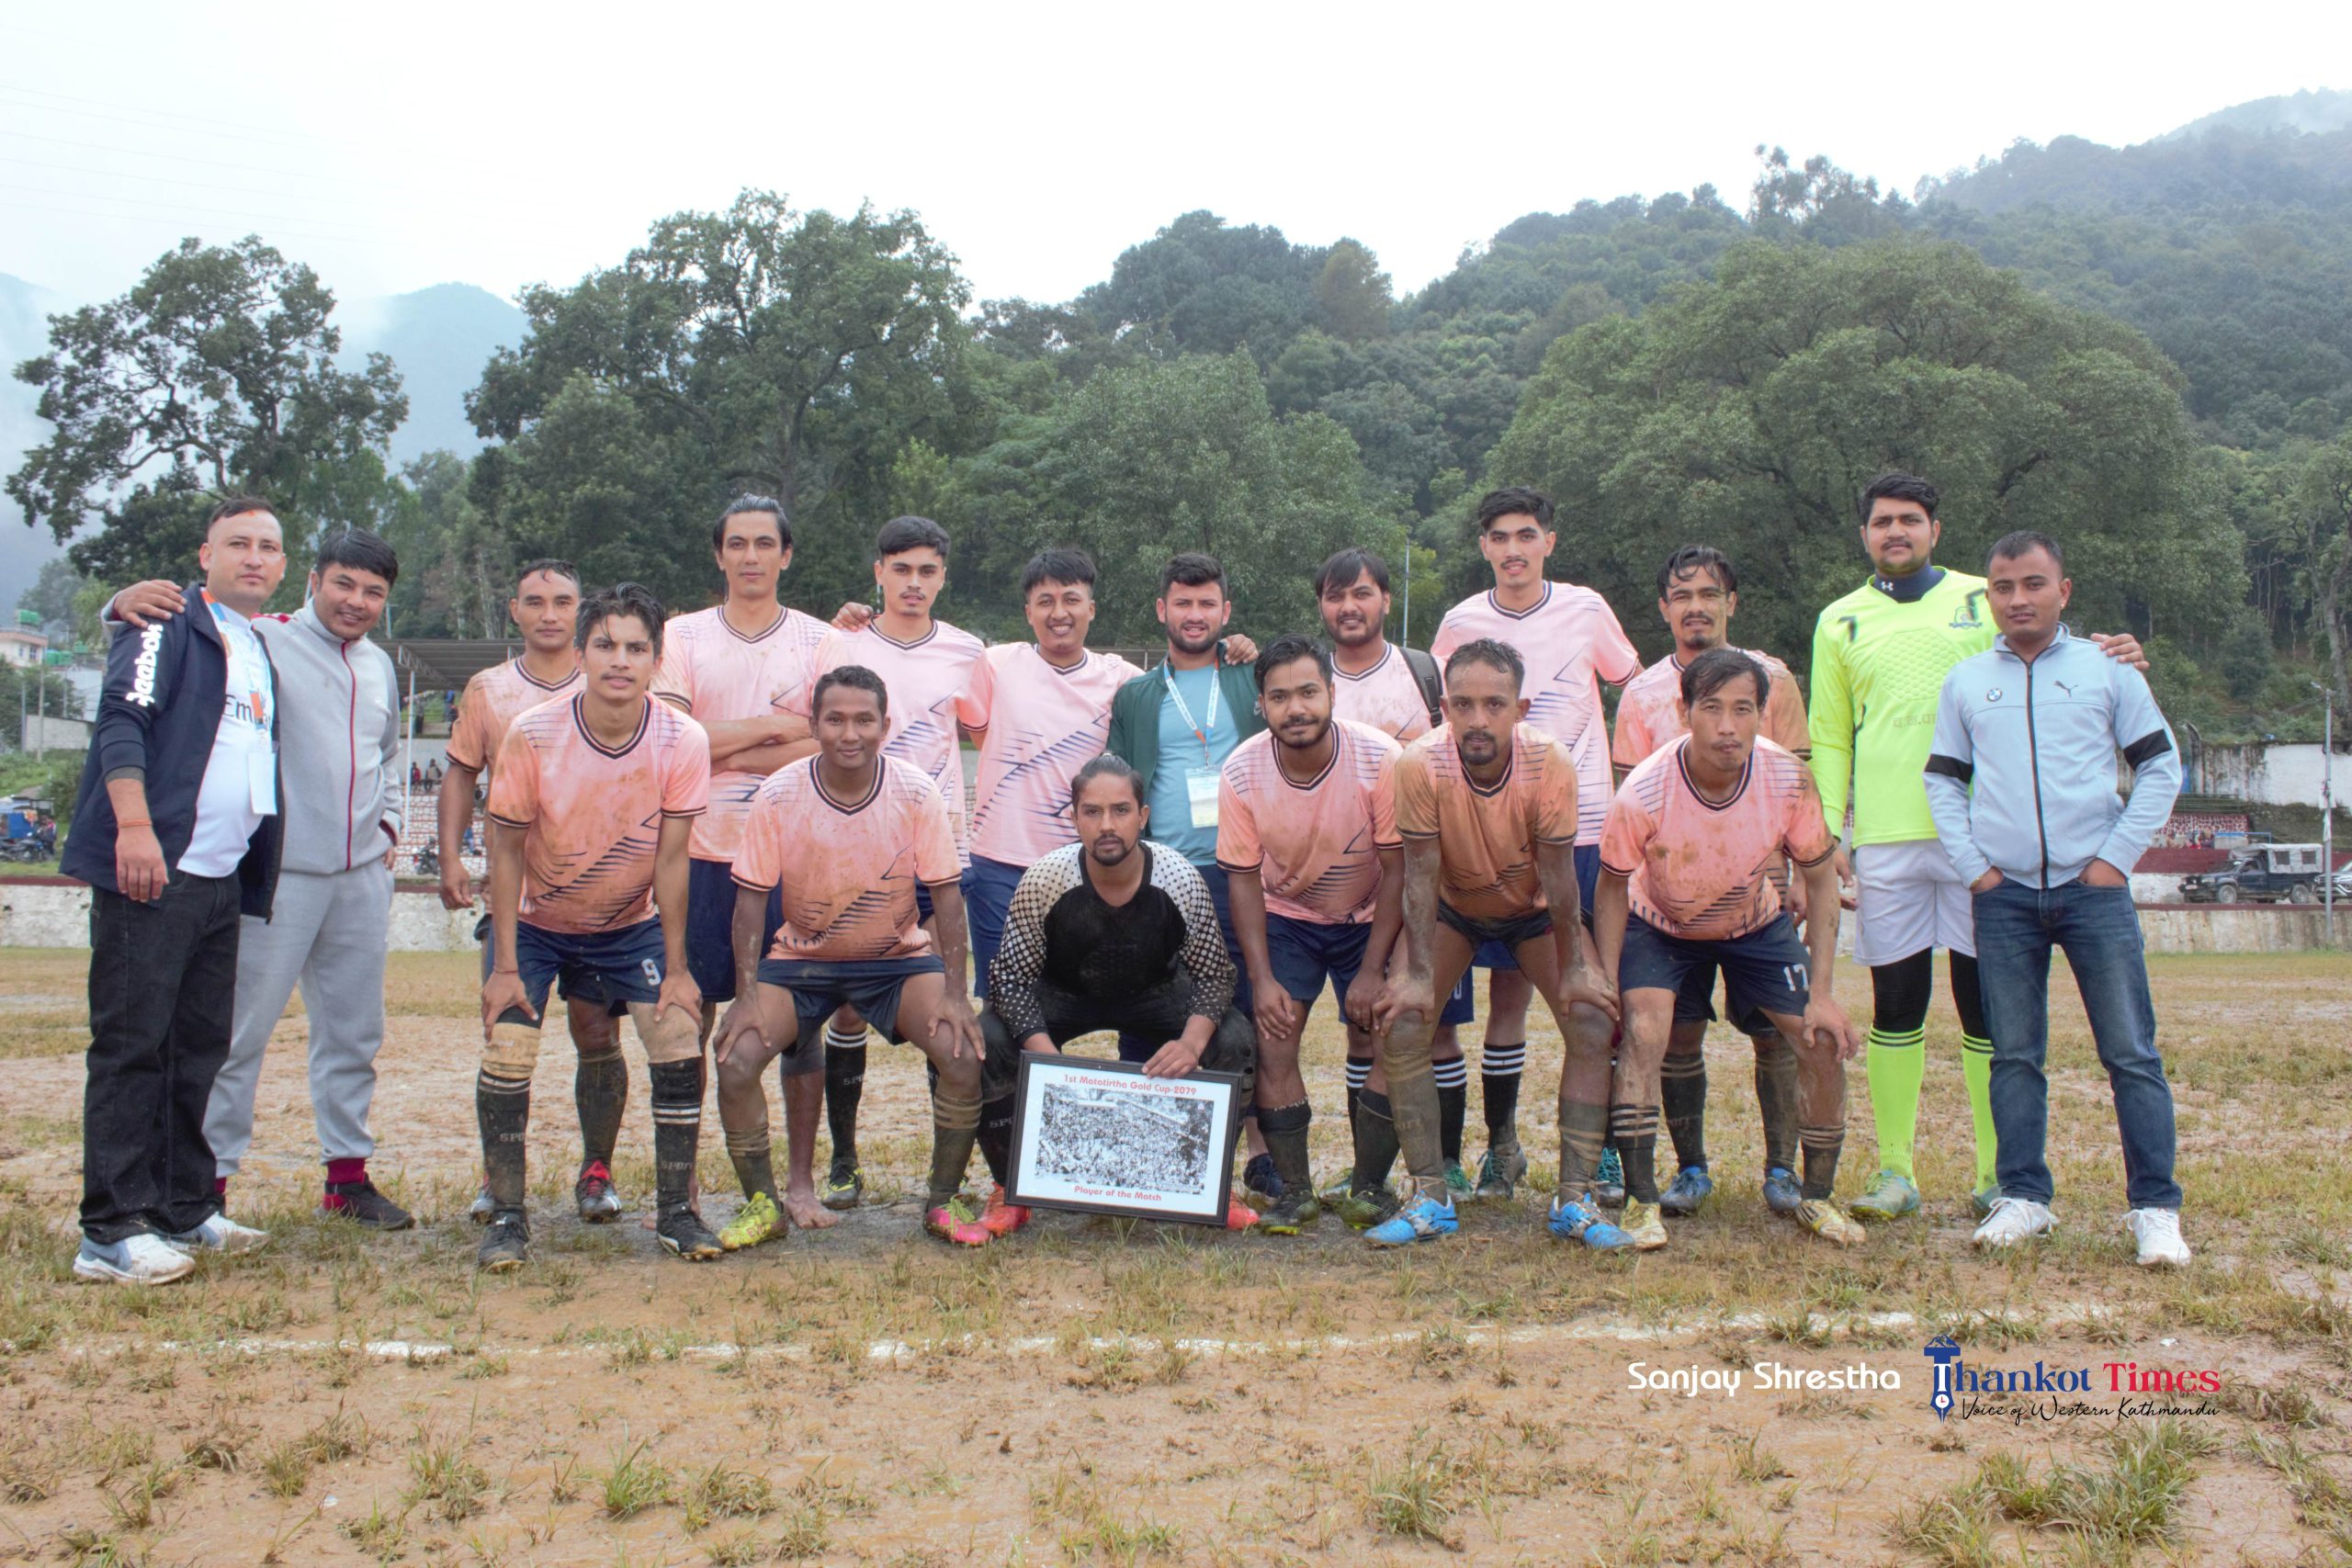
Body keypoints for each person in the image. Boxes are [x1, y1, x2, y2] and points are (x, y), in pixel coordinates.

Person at [1810, 473, 2143, 1223]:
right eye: (1882, 521)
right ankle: (1897, 1170)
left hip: (1979, 837)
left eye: (1911, 520)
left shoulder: (1982, 595)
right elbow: (1830, 732)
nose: (1896, 531)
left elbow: (2044, 649)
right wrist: (1830, 830)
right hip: (1890, 836)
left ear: (1934, 528)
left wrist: (2114, 650)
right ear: (1863, 533)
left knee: (1984, 1006)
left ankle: (1999, 1172)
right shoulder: (1838, 620)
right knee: (1896, 1003)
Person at [104, 530, 413, 1228]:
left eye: (373, 593)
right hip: (278, 878)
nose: (356, 602)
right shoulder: (264, 639)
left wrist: (390, 827)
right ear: (311, 579)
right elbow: (179, 630)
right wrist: (116, 605)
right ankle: (204, 1186)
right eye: (344, 584)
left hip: (360, 878)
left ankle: (347, 1177)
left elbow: (391, 756)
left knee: (355, 1033)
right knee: (237, 1033)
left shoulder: (381, 667)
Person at [1925, 533, 2189, 1266]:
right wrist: (1976, 867)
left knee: (2131, 1052)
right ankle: (2024, 1197)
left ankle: (2155, 1208)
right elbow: (1943, 779)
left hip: (2093, 891)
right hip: (2004, 896)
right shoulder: (1968, 680)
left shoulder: (2108, 673)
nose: (2018, 599)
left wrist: (2114, 859)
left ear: (2063, 592)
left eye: (2033, 584)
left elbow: (2162, 768)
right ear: (1989, 598)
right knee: (2013, 1053)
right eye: (2003, 587)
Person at [62, 496, 287, 1284]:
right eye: (238, 544)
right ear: (205, 555)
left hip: (219, 879)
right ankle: (111, 1228)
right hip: (154, 871)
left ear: (283, 566)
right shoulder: (162, 621)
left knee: (197, 1048)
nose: (253, 557)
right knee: (132, 1046)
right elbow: (122, 718)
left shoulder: (259, 643)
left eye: (267, 546)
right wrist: (133, 825)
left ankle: (183, 1206)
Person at [476, 583, 714, 1269]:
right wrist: (504, 965)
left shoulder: (682, 739)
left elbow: (672, 861)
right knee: (510, 1048)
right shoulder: (533, 732)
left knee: (676, 1036)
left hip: (627, 923)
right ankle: (509, 1216)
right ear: (582, 651)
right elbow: (507, 849)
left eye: (637, 647)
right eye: (606, 643)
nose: (620, 660)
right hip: (536, 922)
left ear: (656, 660)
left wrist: (676, 968)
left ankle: (676, 1212)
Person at [1594, 648, 1864, 1251]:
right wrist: (1610, 981)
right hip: (1659, 921)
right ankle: (1643, 1202)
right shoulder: (1645, 788)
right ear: (1684, 710)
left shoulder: (1787, 779)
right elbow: (1611, 885)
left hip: (1755, 921)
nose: (1726, 726)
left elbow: (1820, 880)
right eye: (1711, 708)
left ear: (1762, 714)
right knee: (1646, 1032)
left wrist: (1821, 993)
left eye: (1743, 709)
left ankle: (1813, 1195)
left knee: (1819, 1041)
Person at [712, 666, 989, 1249]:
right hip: (800, 962)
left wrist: (956, 995)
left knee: (962, 1053)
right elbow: (750, 902)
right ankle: (765, 1204)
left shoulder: (916, 792)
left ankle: (942, 1201)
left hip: (894, 959)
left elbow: (946, 896)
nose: (849, 732)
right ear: (813, 724)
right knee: (736, 1059)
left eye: (864, 719)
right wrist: (743, 998)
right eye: (834, 719)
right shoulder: (780, 792)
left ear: (885, 725)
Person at [1369, 638, 1623, 1249]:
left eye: (1494, 704)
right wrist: (1416, 976)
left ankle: (1575, 1196)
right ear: (1443, 705)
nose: (1478, 720)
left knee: (1590, 1022)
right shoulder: (1418, 764)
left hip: (1533, 911)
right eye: (1463, 704)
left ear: (1520, 706)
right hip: (1454, 909)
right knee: (1404, 1024)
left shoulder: (1550, 761)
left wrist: (1580, 967)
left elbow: (1560, 879)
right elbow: (1422, 876)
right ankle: (1430, 1194)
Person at [1429, 489, 1643, 1204]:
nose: (1513, 549)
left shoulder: (1587, 608)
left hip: (1578, 826)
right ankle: (1500, 1147)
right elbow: (1444, 708)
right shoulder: (1461, 621)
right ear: (1484, 546)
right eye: (1499, 537)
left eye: (1526, 535)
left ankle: (1601, 1151)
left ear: (1549, 540)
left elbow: (1633, 691)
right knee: (1493, 1003)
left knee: (1580, 992)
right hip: (1486, 832)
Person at [1609, 545, 1813, 1220]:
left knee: (1777, 1032)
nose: (1695, 606)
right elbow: (1628, 804)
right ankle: (1690, 1167)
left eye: (1709, 593)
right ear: (1664, 607)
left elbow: (1794, 779)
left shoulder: (1775, 678)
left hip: (1757, 895)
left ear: (1732, 602)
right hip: (1668, 903)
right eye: (1681, 594)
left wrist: (1796, 876)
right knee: (1677, 1034)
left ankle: (1782, 1168)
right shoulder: (1641, 694)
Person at [790, 515, 985, 1212]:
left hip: (934, 857)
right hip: (847, 855)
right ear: (878, 572)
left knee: (944, 1011)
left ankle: (948, 1180)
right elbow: (808, 728)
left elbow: (987, 733)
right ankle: (842, 1158)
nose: (913, 583)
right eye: (900, 569)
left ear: (942, 576)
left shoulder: (967, 651)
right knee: (841, 1009)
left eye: (927, 570)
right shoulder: (838, 641)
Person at [976, 755, 1261, 1233]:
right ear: (1074, 818)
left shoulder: (1179, 878)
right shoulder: (1044, 879)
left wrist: (1191, 1044)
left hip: (1158, 992)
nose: (1107, 825)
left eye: (1121, 811)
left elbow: (1214, 976)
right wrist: (1047, 1059)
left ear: (1143, 817)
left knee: (1233, 1039)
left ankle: (1211, 1184)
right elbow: (1010, 981)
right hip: (1063, 994)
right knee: (989, 1039)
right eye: (1092, 812)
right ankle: (1010, 1186)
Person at [956, 548, 1145, 1235]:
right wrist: (854, 623)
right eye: (1044, 600)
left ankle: (1137, 1177)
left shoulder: (1124, 678)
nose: (1058, 612)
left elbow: (1199, 679)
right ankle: (1011, 1181)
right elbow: (911, 670)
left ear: (1093, 605)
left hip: (1094, 873)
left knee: (1140, 1005)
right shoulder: (995, 663)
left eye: (1071, 598)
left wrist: (1239, 649)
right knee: (1000, 1022)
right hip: (1005, 865)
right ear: (1027, 611)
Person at [652, 495, 829, 1224]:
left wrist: (717, 737)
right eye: (737, 543)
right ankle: (683, 1183)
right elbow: (671, 735)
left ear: (787, 555)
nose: (751, 556)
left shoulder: (819, 641)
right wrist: (770, 728)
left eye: (765, 543)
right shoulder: (682, 635)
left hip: (794, 856)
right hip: (699, 851)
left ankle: (798, 1182)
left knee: (801, 1020)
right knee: (690, 1016)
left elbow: (829, 740)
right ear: (718, 554)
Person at [439, 561, 621, 1227]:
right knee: (508, 1033)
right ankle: (499, 1172)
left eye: (563, 601)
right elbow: (461, 775)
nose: (549, 613)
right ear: (514, 610)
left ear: (582, 610)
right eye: (535, 602)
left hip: (605, 904)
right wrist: (454, 854)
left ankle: (597, 1170)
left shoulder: (610, 677)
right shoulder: (489, 690)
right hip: (521, 901)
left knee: (597, 1031)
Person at [1216, 636, 1404, 1235]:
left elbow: (1401, 868)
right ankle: (1294, 1190)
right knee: (1274, 1037)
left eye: (1307, 692)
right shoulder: (1241, 770)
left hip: (1371, 913)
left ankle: (1370, 1186)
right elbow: (1243, 880)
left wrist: (1375, 969)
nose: (1295, 707)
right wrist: (1263, 977)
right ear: (1261, 705)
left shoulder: (1382, 759)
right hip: (1288, 918)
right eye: (1279, 696)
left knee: (1392, 1033)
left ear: (1330, 691)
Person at [1104, 554, 1272, 1192]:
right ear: (1162, 611)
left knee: (1244, 1011)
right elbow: (1119, 784)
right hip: (1162, 877)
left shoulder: (1250, 677)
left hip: (1240, 872)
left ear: (1225, 612)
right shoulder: (1136, 695)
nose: (1195, 615)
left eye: (1207, 604)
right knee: (1147, 1008)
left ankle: (1259, 1154)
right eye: (1183, 603)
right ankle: (1145, 1151)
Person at [1314, 548, 1473, 1205]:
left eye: (1362, 592)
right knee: (1362, 1027)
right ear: (1321, 605)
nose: (1349, 606)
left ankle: (1452, 1161)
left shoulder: (1421, 672)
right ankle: (1367, 1171)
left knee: (1433, 1025)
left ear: (1384, 599)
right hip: (1345, 881)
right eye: (1335, 595)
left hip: (1420, 875)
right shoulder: (1307, 676)